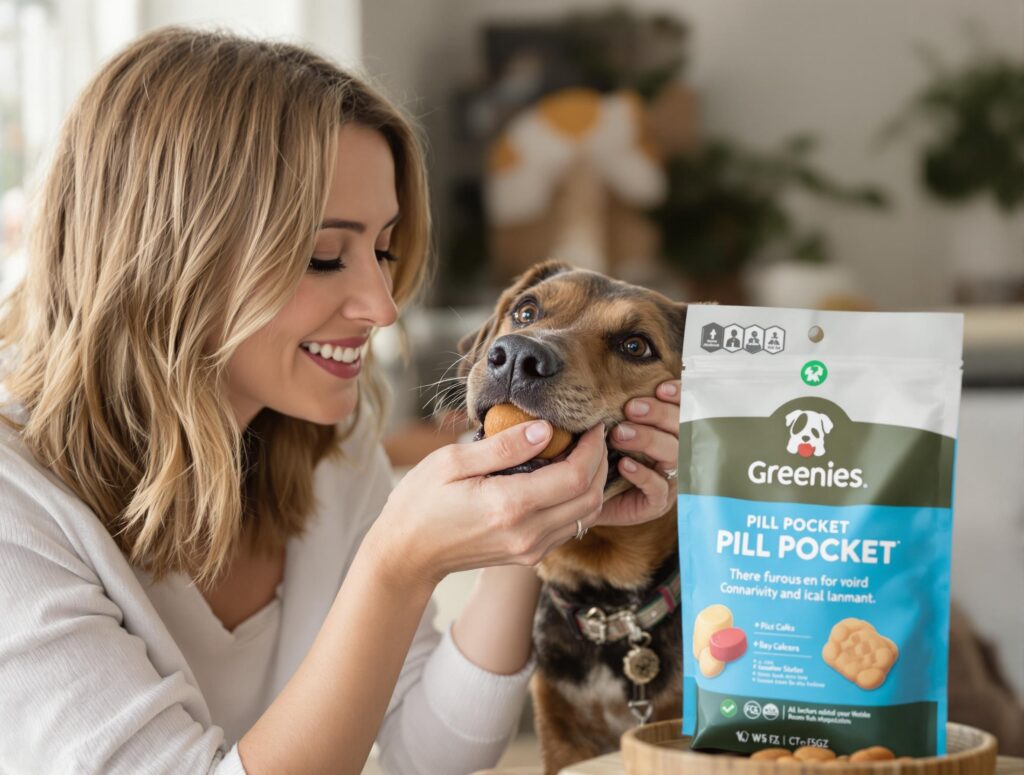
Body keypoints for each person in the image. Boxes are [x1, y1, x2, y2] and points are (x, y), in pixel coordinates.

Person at [0, 26, 682, 775]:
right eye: (325, 256)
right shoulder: (17, 504)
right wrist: (395, 563)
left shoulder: (327, 439)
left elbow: (431, 753)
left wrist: (526, 519)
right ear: (166, 256)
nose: (382, 305)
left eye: (383, 249)